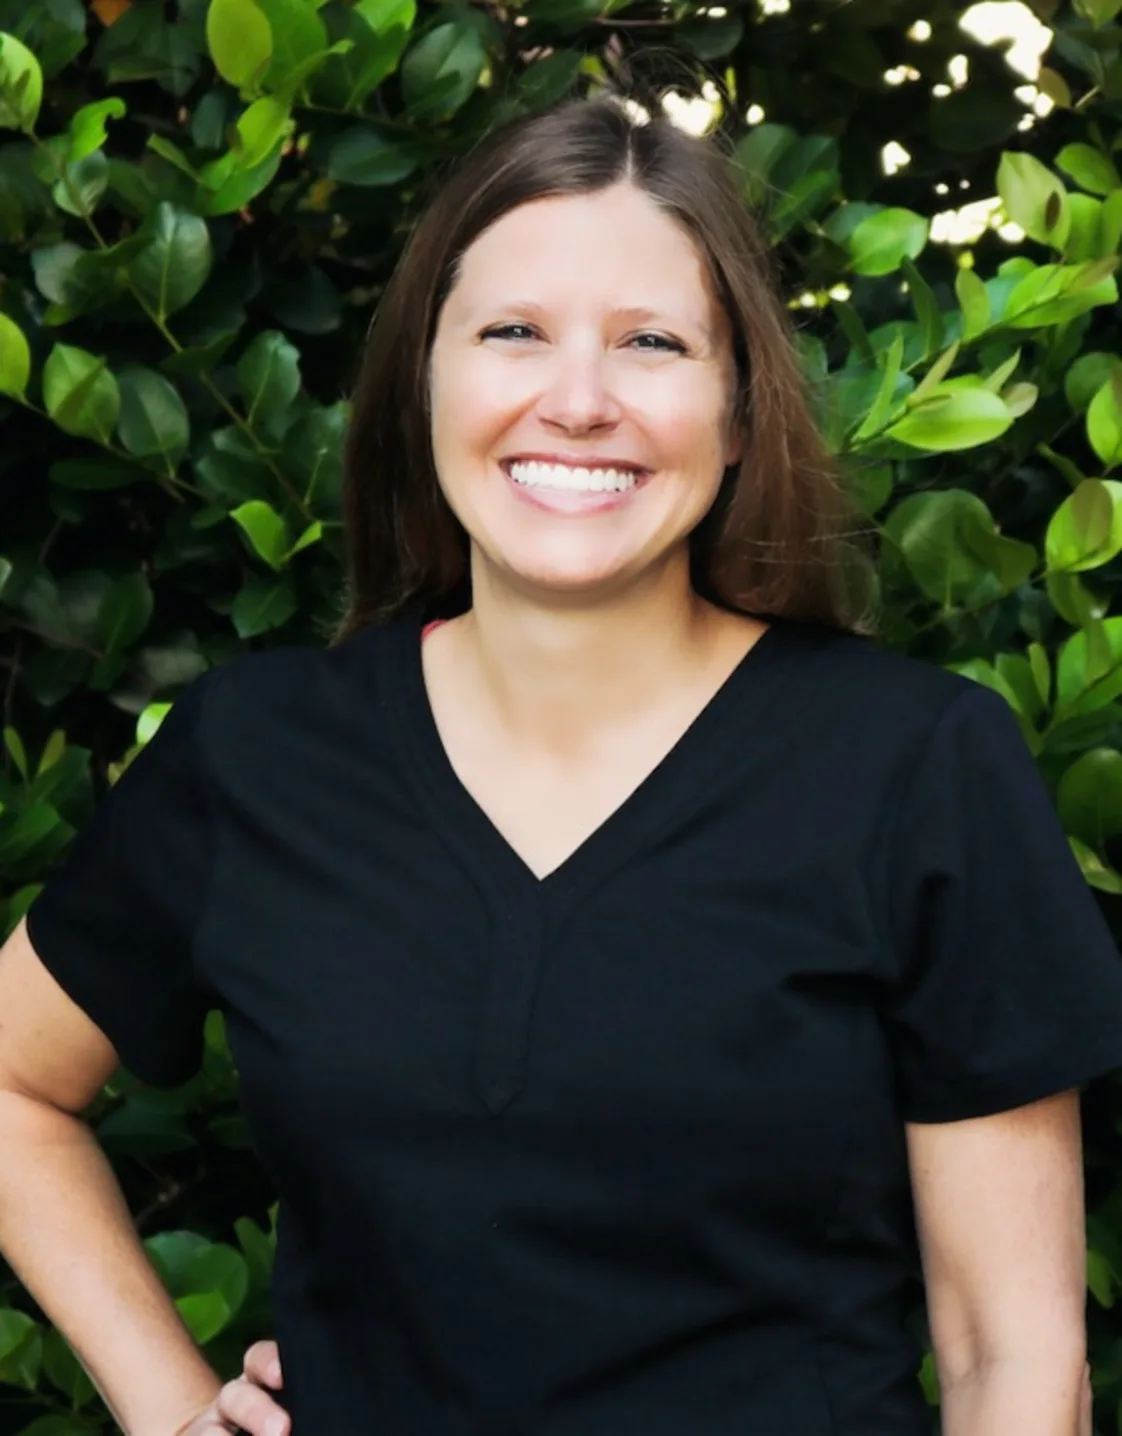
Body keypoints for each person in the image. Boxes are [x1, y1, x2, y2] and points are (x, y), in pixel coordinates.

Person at [0, 91, 1120, 1436]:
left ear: (741, 407)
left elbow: (1013, 1359)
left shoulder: (913, 769)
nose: (576, 402)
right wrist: (167, 1406)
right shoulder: (259, 757)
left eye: (651, 343)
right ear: (425, 377)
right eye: (512, 333)